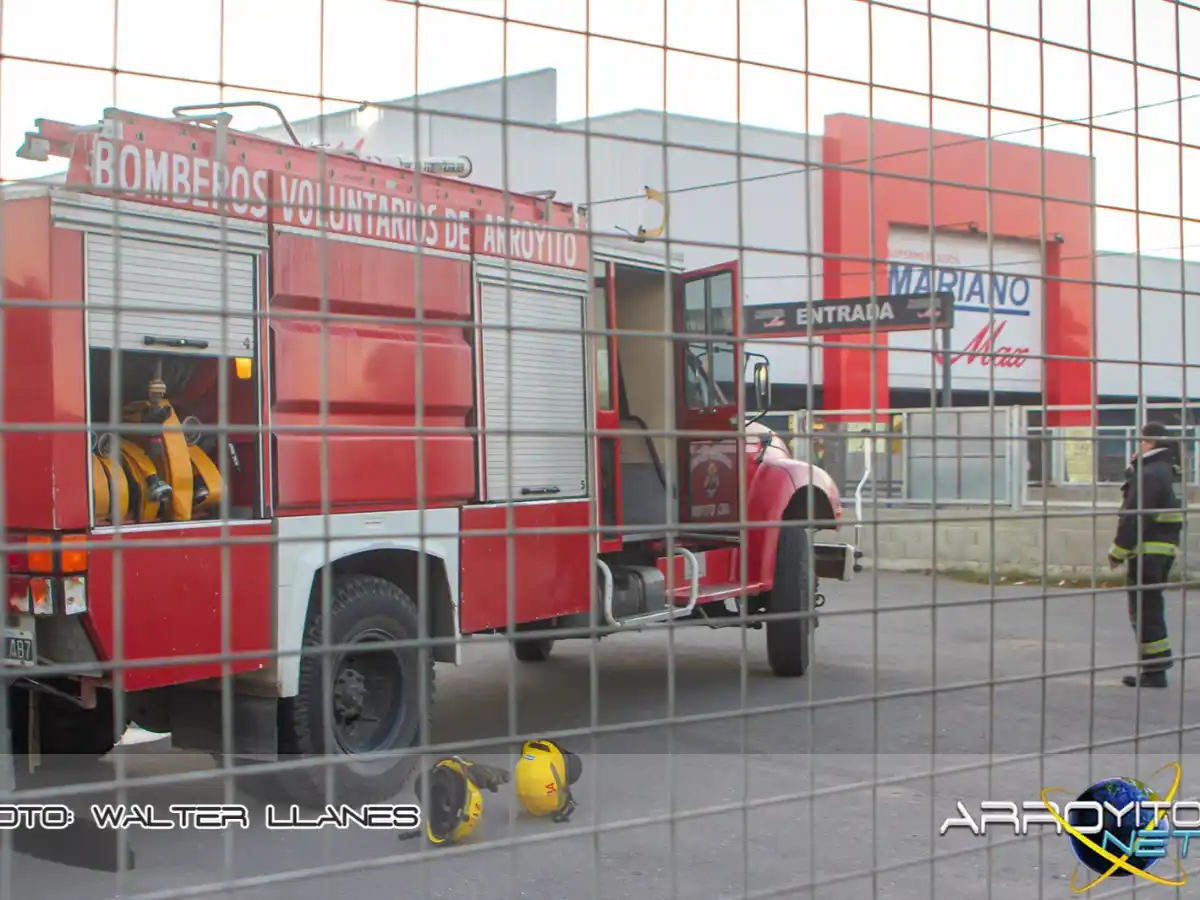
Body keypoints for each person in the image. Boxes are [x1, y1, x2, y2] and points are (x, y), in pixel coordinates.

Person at [1108, 422, 1185, 688]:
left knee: (1145, 612)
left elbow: (1134, 516)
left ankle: (1154, 672)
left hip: (1147, 553)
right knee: (1150, 609)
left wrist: (1117, 551)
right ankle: (1155, 669)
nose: (1138, 445)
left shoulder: (1150, 475)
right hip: (1160, 552)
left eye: (1142, 440)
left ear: (1149, 443)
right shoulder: (1163, 471)